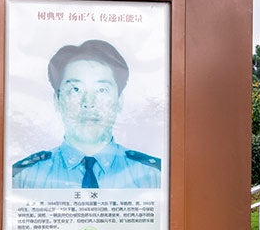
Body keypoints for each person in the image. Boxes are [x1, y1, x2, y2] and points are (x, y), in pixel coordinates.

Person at [12, 39, 161, 189]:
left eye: (102, 90)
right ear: (56, 101)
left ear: (120, 101)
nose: (88, 103)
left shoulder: (152, 175)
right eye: (75, 90)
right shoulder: (25, 176)